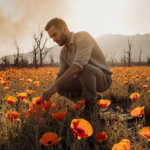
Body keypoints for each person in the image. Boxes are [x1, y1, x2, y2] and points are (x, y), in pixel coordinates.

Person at [42, 17, 113, 119]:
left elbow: (78, 66)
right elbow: (61, 74)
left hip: (103, 79)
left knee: (84, 68)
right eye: (51, 37)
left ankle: (91, 106)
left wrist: (54, 86)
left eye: (55, 35)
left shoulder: (83, 37)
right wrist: (52, 90)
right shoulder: (63, 52)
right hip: (84, 80)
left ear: (64, 28)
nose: (54, 40)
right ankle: (89, 101)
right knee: (60, 87)